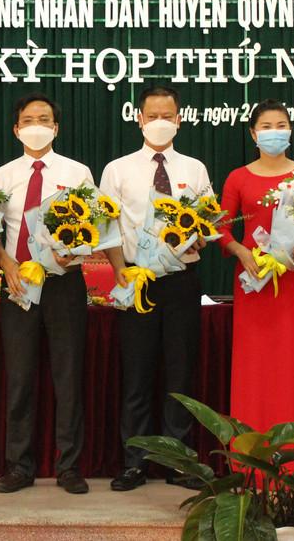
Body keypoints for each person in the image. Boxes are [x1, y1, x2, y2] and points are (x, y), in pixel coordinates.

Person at [100, 86, 209, 491]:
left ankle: (178, 462)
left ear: (179, 120)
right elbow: (107, 226)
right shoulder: (118, 169)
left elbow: (206, 220)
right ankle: (135, 462)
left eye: (168, 115)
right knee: (137, 374)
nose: (160, 122)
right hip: (137, 278)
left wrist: (201, 236)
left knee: (180, 373)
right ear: (139, 119)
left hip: (182, 280)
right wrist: (119, 271)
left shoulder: (194, 168)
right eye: (153, 115)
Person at [0, 93, 94, 495]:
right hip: (18, 282)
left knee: (69, 377)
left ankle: (69, 466)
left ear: (56, 127)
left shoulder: (78, 172)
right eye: (28, 120)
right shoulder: (1, 176)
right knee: (19, 378)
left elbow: (93, 225)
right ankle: (19, 466)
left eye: (44, 119)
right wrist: (5, 262)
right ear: (16, 129)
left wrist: (76, 251)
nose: (37, 126)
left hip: (64, 281)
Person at [218, 100, 294, 432]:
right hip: (255, 280)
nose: (274, 132)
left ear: (291, 130)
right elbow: (221, 229)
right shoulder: (238, 177)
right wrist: (240, 251)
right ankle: (253, 445)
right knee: (255, 362)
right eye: (266, 127)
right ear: (253, 134)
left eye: (281, 126)